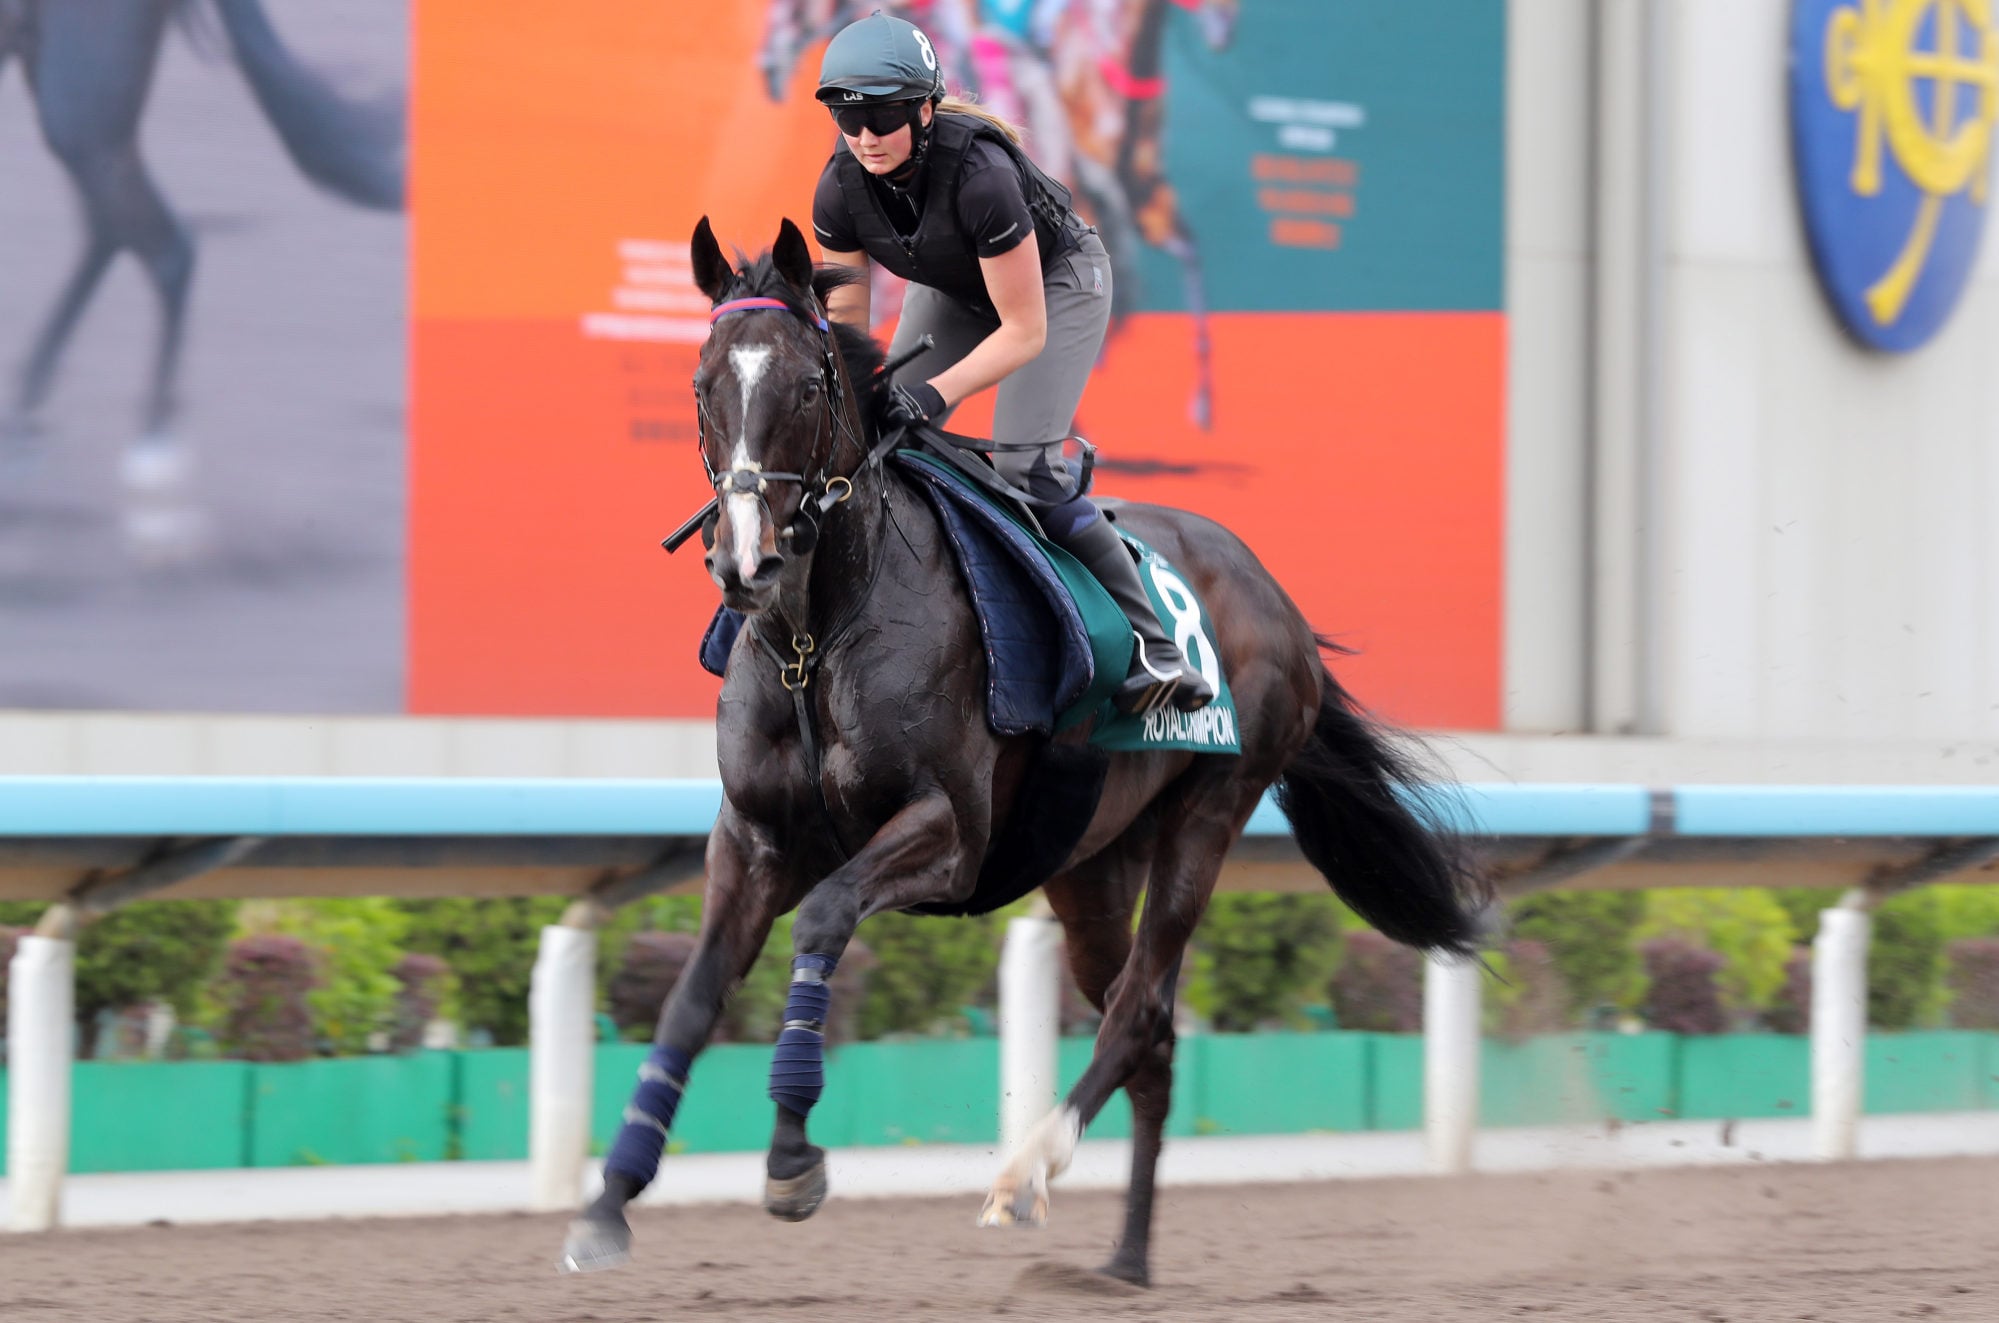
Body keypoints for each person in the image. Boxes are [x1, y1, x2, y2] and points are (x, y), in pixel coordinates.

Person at [810, 9, 1213, 716]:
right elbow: (844, 331)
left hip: (1056, 287)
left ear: (926, 109)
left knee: (1028, 465)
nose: (866, 138)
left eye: (884, 117)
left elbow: (1023, 330)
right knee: (876, 439)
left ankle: (1153, 643)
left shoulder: (981, 174)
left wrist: (934, 394)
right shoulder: (838, 186)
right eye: (850, 120)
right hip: (954, 289)